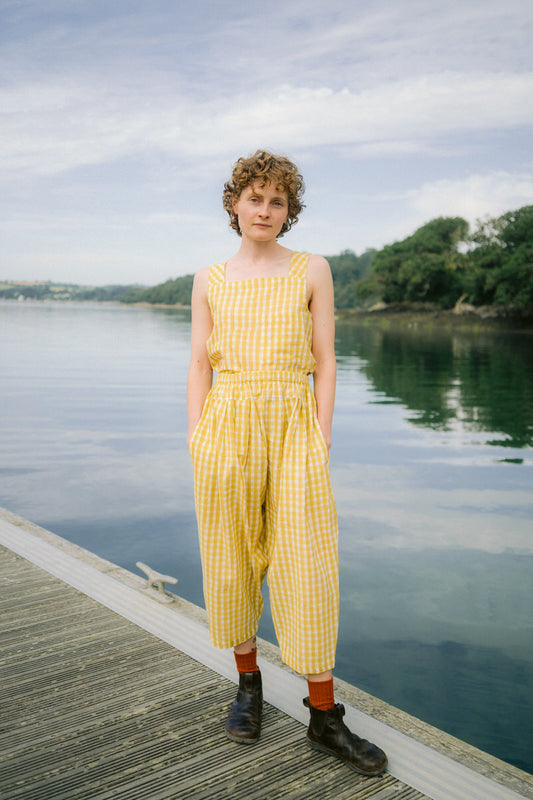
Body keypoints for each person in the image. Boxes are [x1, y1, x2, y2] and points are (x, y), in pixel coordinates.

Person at [187, 150, 387, 776]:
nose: (265, 210)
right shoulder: (209, 279)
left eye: (277, 201)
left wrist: (322, 435)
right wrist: (196, 436)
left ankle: (324, 717)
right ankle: (248, 687)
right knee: (232, 555)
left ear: (289, 212)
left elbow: (326, 359)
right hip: (227, 425)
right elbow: (199, 363)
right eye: (255, 198)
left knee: (308, 565)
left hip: (294, 425)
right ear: (234, 204)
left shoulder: (312, 270)